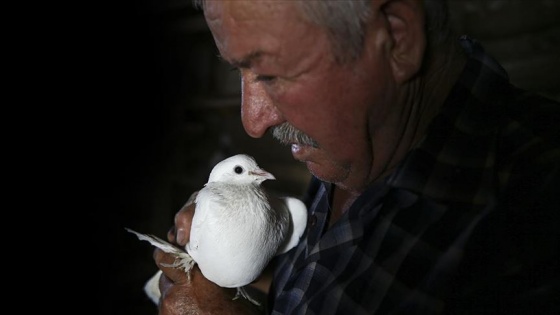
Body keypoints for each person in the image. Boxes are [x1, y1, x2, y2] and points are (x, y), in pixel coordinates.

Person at [150, 0, 560, 314]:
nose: (253, 120)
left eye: (271, 73)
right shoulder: (356, 148)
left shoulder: (532, 211)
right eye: (239, 72)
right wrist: (232, 264)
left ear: (396, 39)